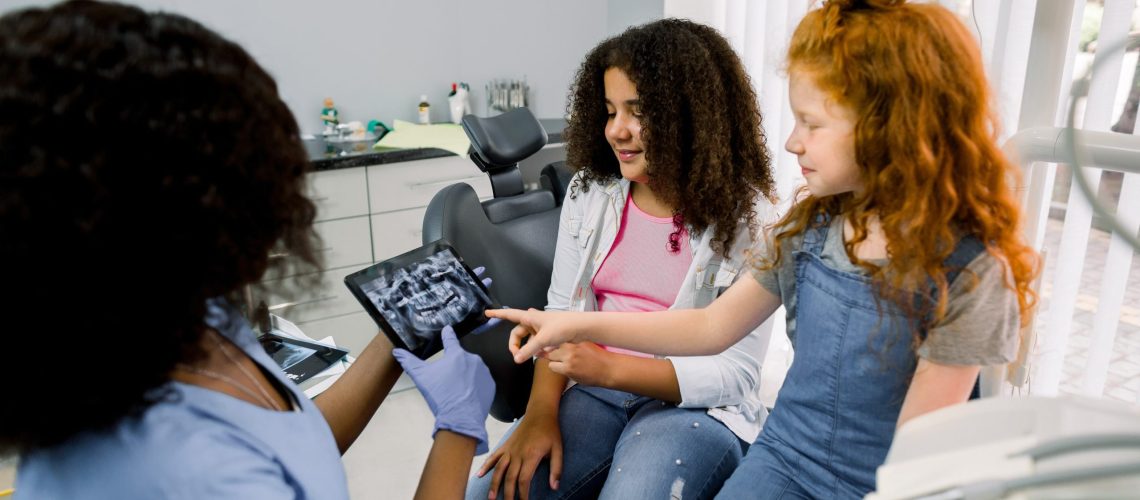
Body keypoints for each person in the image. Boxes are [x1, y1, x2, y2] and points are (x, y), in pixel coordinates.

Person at [490, 1, 1041, 498]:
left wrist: (599, 354)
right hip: (784, 459)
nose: (791, 140)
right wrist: (575, 326)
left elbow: (917, 465)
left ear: (892, 128)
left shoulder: (970, 277)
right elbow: (709, 328)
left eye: (811, 123)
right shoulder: (811, 228)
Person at [0, 2, 493, 499]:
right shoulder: (180, 473)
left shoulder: (189, 318)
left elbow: (290, 447)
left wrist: (400, 334)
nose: (278, 206)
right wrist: (458, 430)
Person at [469, 18, 777, 500]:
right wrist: (540, 416)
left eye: (639, 112)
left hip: (694, 409)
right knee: (487, 493)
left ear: (693, 116)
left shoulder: (749, 218)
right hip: (592, 390)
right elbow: (562, 313)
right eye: (610, 111)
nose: (618, 131)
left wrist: (609, 369)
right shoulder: (591, 191)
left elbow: (734, 375)